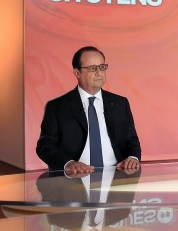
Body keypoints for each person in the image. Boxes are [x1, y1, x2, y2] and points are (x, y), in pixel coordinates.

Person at [35, 46, 141, 177]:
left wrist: (133, 157)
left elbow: (131, 140)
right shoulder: (57, 107)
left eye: (102, 67)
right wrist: (68, 163)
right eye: (92, 68)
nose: (99, 72)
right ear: (77, 73)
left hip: (116, 176)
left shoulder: (120, 103)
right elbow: (45, 146)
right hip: (74, 179)